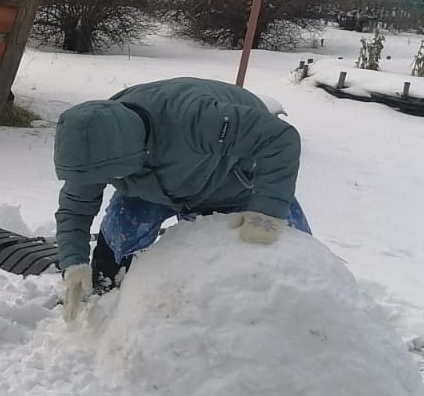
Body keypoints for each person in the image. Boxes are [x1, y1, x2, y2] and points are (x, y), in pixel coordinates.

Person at [53, 76, 309, 321]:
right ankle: (104, 286)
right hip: (152, 188)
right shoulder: (90, 145)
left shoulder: (196, 119)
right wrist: (74, 262)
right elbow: (75, 209)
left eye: (112, 175)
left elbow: (279, 138)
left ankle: (295, 317)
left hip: (229, 180)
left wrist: (268, 211)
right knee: (122, 226)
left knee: (292, 251)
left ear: (136, 154)